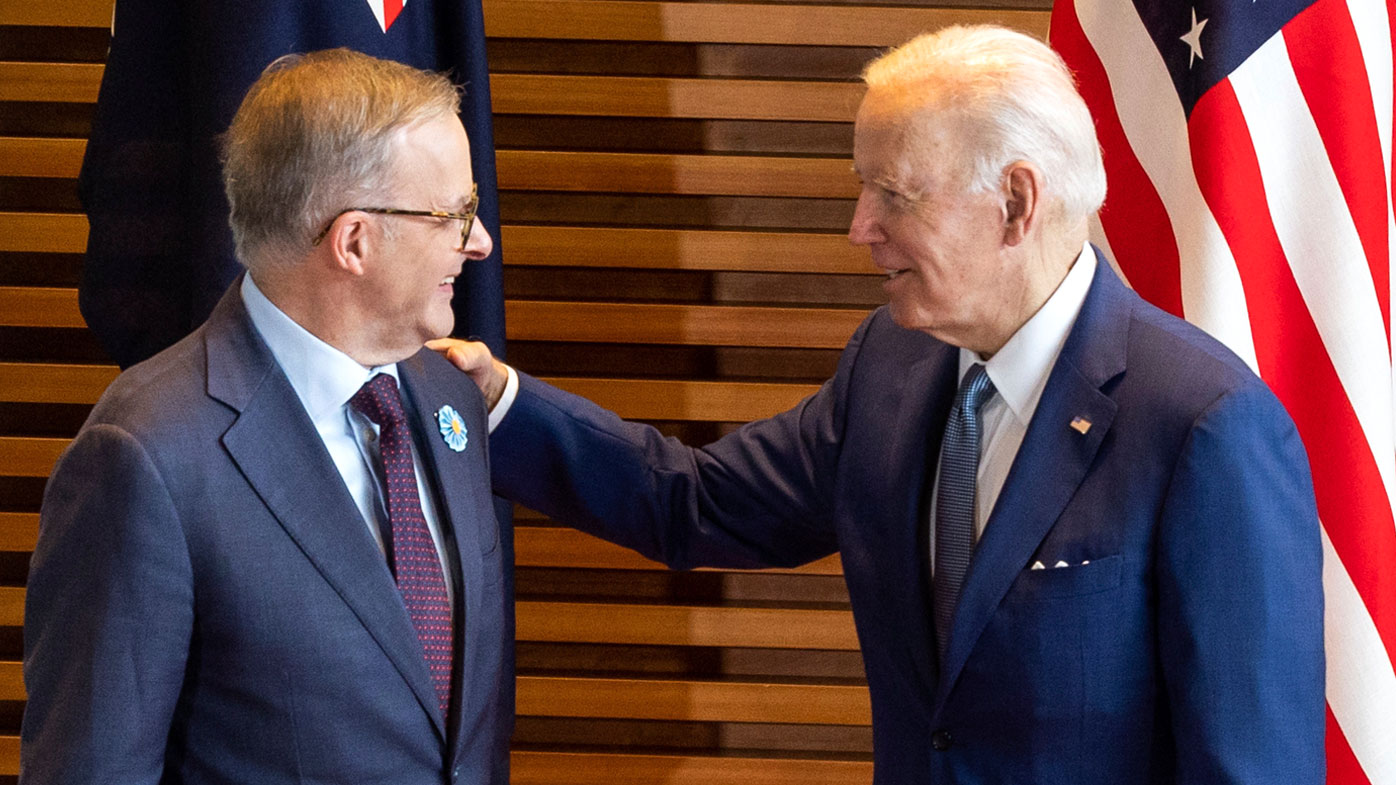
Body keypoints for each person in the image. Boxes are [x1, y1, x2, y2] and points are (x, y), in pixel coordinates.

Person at [434, 25, 1325, 784]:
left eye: (894, 194)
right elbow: (695, 503)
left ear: (1016, 202)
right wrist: (499, 403)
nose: (860, 225)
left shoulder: (1204, 425)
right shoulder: (894, 360)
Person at [23, 49, 511, 784]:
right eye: (456, 212)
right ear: (354, 241)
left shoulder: (449, 402)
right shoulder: (147, 454)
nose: (479, 242)